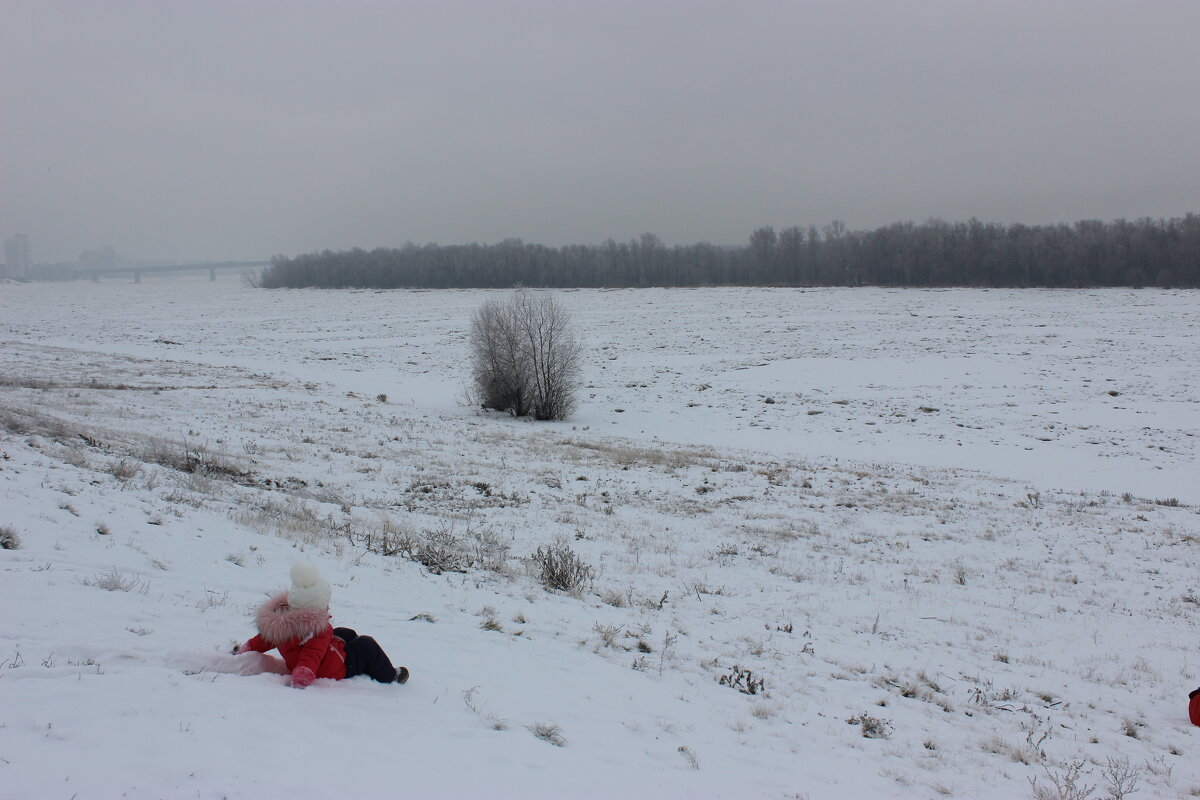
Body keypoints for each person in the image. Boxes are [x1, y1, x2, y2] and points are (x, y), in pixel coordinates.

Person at [236, 562, 409, 688]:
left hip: (324, 656)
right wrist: (303, 673)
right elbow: (312, 653)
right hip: (336, 668)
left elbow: (264, 640)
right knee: (366, 644)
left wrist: (247, 648)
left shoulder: (280, 626)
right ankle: (390, 675)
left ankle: (351, 648)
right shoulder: (320, 630)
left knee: (345, 633)